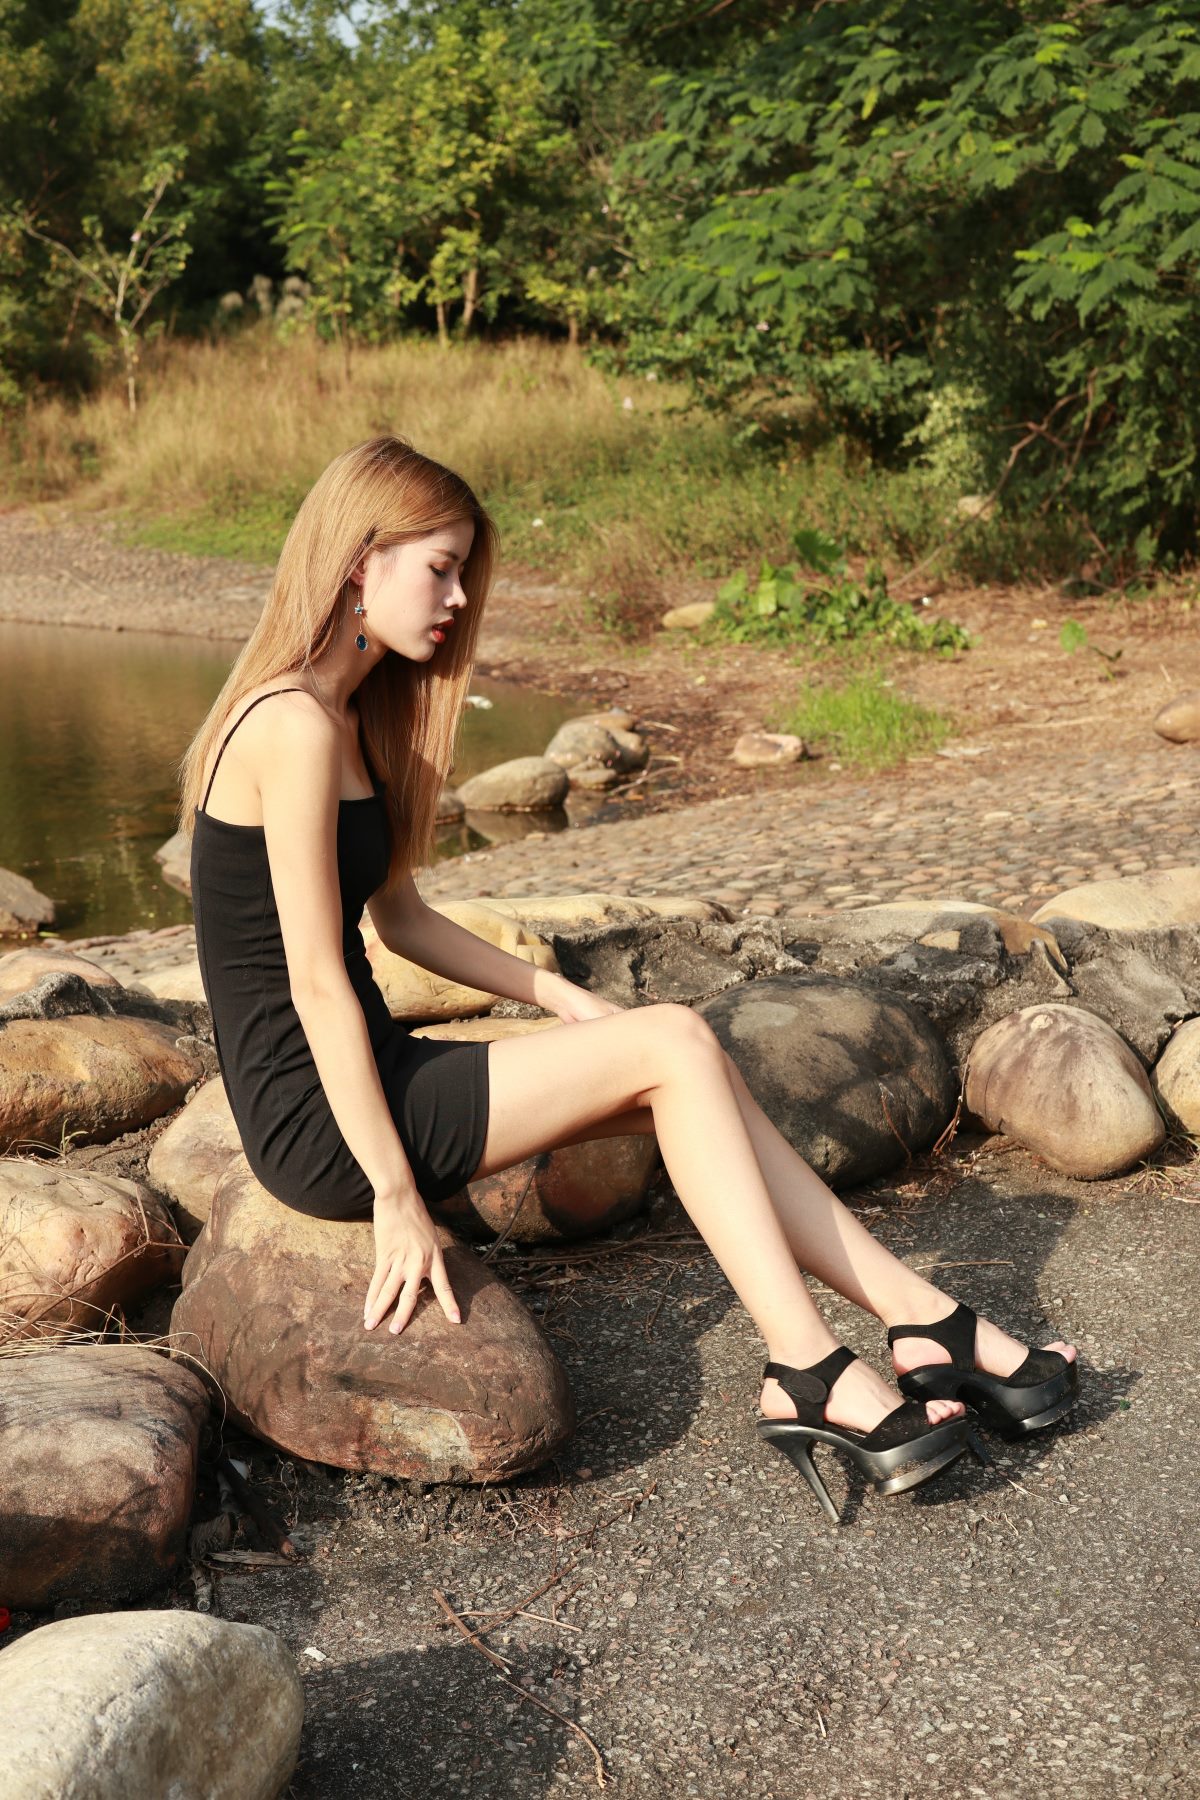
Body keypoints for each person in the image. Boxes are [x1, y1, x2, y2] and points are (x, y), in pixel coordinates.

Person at [180, 436, 1078, 1524]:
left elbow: (399, 919)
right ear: (359, 560)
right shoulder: (289, 724)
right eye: (441, 568)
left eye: (463, 573)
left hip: (374, 1069)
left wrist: (554, 995)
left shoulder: (346, 715)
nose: (459, 599)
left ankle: (916, 1318)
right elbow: (317, 981)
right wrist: (396, 1197)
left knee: (686, 1065)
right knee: (674, 1043)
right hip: (318, 1118)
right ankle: (806, 1361)